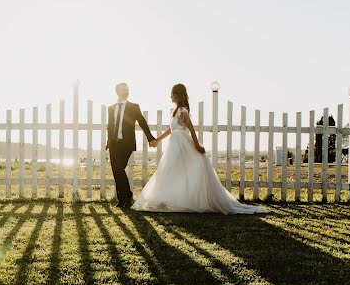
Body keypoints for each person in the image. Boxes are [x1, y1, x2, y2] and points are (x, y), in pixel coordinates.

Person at [132, 83, 267, 214]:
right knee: (172, 171)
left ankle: (179, 199)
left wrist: (197, 145)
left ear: (177, 95)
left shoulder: (183, 111)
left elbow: (191, 129)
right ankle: (171, 198)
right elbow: (171, 130)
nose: (170, 97)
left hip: (182, 145)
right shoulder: (175, 111)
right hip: (174, 144)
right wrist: (157, 140)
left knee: (177, 171)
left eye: (172, 94)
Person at [106, 82, 156, 208]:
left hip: (126, 144)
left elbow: (142, 122)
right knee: (116, 171)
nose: (126, 92)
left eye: (127, 89)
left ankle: (127, 198)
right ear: (117, 91)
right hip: (114, 144)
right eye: (123, 90)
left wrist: (150, 138)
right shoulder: (111, 108)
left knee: (119, 169)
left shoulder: (134, 107)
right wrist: (108, 142)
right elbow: (110, 126)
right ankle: (122, 200)